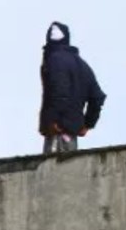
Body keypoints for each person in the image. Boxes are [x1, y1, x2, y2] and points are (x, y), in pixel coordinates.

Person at [38, 22, 106, 154]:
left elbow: (60, 90)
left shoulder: (54, 59)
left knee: (53, 169)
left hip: (57, 129)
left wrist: (53, 119)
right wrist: (88, 123)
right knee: (68, 167)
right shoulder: (82, 65)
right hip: (71, 132)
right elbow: (97, 97)